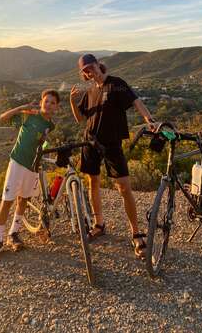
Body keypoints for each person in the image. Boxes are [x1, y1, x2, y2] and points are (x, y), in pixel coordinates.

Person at [70, 54, 157, 258]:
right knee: (93, 181)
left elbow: (136, 101)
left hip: (112, 144)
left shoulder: (116, 84)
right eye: (85, 70)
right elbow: (80, 118)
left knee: (124, 187)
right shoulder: (90, 91)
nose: (89, 72)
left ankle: (136, 233)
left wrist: (149, 119)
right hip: (90, 141)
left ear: (98, 65)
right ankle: (99, 224)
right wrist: (72, 103)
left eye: (91, 67)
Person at [0, 89, 60, 262]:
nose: (48, 105)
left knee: (24, 200)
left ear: (57, 107)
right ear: (41, 102)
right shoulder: (28, 116)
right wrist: (20, 108)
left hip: (33, 166)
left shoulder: (51, 126)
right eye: (46, 101)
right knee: (7, 201)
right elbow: (2, 118)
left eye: (52, 102)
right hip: (17, 162)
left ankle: (14, 233)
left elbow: (43, 142)